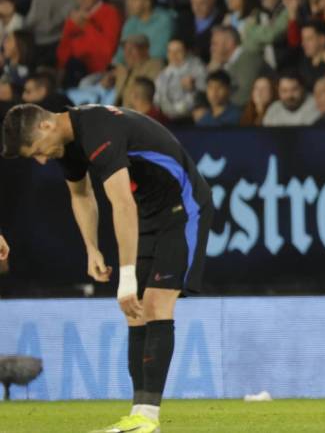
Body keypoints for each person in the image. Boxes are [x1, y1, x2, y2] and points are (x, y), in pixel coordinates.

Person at [1, 102, 214, 433]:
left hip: (184, 206)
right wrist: (91, 248)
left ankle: (147, 418)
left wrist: (126, 277)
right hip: (150, 212)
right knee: (135, 311)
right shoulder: (67, 144)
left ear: (45, 127)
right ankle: (140, 416)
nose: (42, 160)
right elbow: (82, 195)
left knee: (155, 303)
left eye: (38, 152)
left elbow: (121, 204)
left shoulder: (98, 128)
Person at [56, 0, 122, 88]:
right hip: (73, 73)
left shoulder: (110, 12)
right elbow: (63, 52)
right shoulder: (73, 18)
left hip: (99, 75)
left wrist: (86, 26)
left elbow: (108, 50)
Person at [113, 0, 175, 64]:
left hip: (154, 68)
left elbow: (158, 55)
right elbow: (120, 55)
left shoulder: (164, 20)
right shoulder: (130, 23)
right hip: (130, 69)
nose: (129, 3)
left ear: (147, 1)